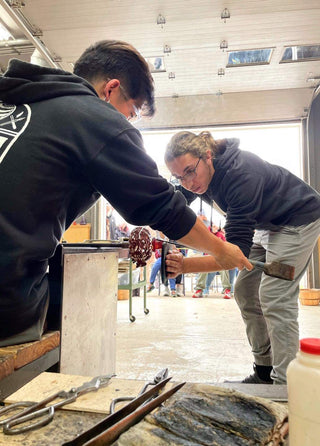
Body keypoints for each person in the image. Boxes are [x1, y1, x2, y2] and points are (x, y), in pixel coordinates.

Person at [0, 41, 251, 346]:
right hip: (6, 301)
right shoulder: (95, 117)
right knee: (82, 291)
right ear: (111, 90)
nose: (127, 122)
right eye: (130, 113)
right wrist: (220, 250)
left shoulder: (17, 101)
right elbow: (162, 208)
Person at [164, 130, 320, 384]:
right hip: (266, 223)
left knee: (275, 296)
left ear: (207, 156)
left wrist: (184, 265)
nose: (188, 183)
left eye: (190, 172)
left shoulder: (240, 175)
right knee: (245, 290)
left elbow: (234, 255)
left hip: (297, 219)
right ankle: (264, 373)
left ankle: (285, 385)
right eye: (179, 177)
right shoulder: (198, 176)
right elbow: (176, 201)